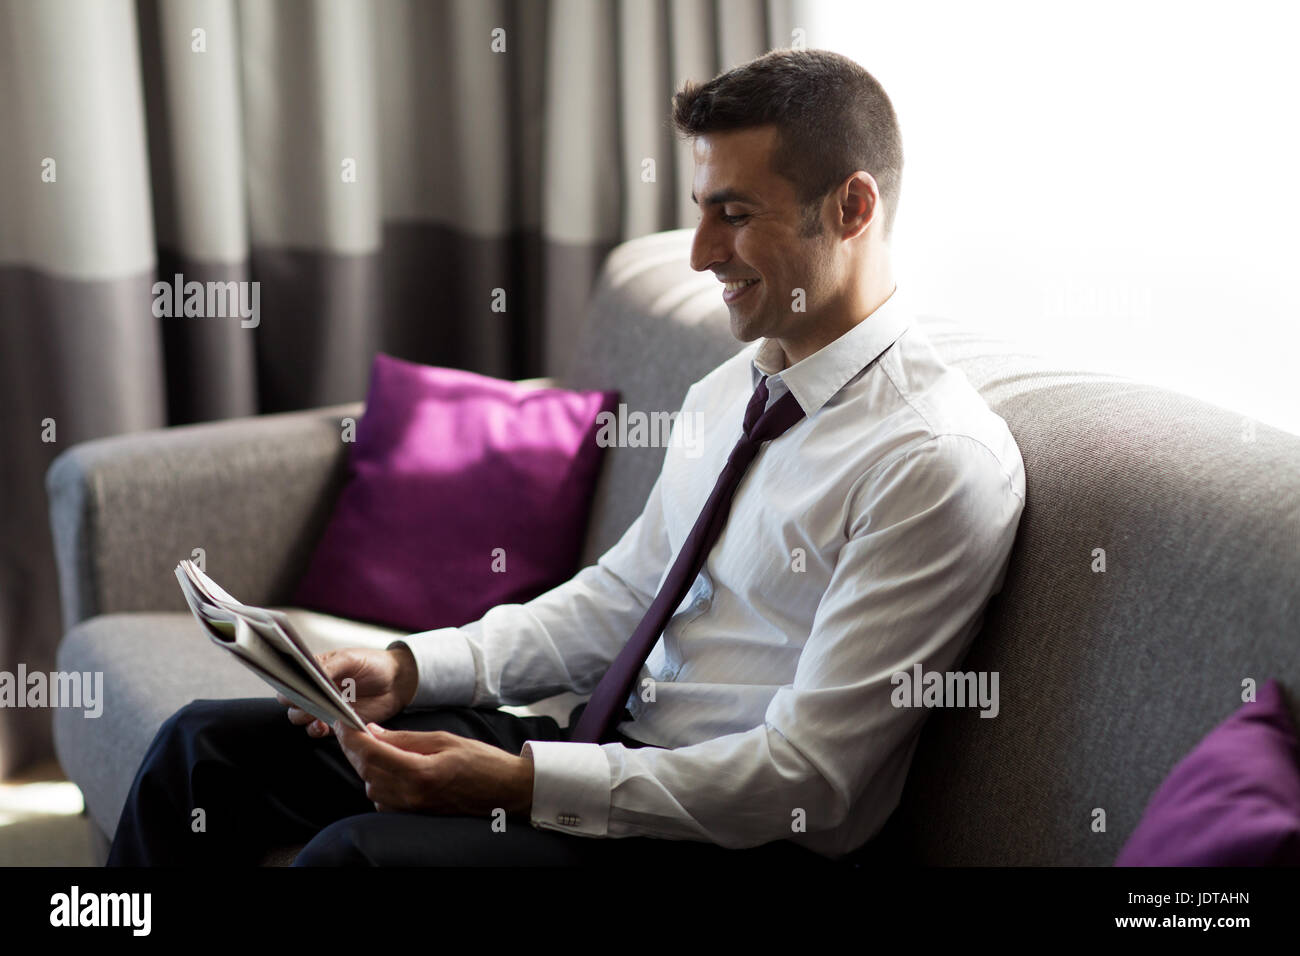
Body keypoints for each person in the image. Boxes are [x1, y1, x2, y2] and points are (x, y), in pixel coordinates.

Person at [107, 48, 1025, 867]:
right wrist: (411, 666)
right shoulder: (733, 391)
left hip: (731, 835)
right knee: (205, 752)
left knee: (358, 856)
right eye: (702, 213)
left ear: (853, 207)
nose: (703, 254)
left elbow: (806, 778)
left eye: (735, 215)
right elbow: (621, 595)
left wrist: (517, 784)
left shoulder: (932, 462)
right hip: (603, 751)